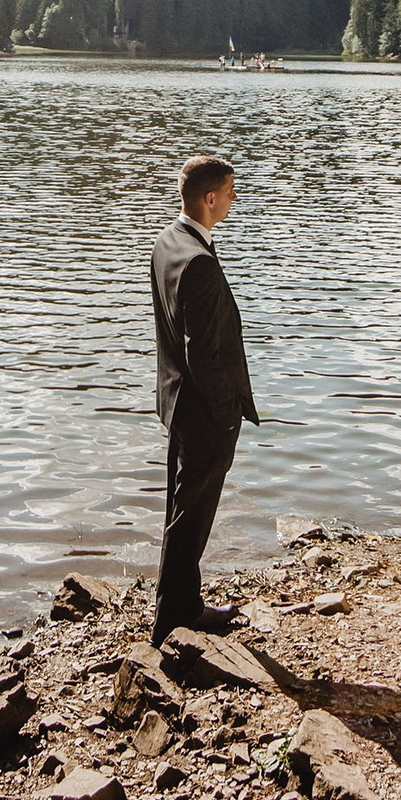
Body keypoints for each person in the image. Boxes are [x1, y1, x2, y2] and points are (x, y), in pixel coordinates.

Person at [148, 154, 259, 644]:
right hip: (203, 411)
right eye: (231, 192)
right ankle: (176, 616)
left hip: (176, 402)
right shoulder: (199, 263)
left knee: (182, 507)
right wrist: (226, 414)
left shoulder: (168, 242)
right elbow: (202, 354)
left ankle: (177, 604)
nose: (235, 201)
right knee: (193, 511)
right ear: (210, 198)